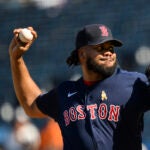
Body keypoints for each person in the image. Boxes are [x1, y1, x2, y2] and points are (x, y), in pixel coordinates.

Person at [9, 24, 150, 150]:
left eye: (111, 48)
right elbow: (31, 105)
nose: (108, 53)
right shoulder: (65, 92)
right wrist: (16, 59)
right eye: (100, 48)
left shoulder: (134, 83)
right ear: (82, 54)